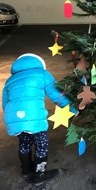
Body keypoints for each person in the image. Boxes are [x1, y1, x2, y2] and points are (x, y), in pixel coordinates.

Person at [1, 53, 78, 186]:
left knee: (24, 144)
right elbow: (57, 95)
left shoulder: (10, 80)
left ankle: (26, 170)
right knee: (41, 146)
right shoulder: (42, 74)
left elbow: (5, 103)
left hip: (14, 118)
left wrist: (13, 119)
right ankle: (39, 175)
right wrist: (72, 109)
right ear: (39, 63)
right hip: (34, 118)